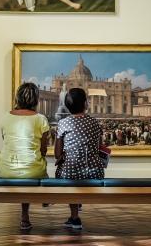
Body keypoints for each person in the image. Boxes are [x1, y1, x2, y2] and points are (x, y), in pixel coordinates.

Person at [0, 82, 50, 230]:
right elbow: (43, 150)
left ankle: (25, 216)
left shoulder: (6, 117)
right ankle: (44, 197)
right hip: (33, 170)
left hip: (7, 169)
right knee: (36, 165)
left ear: (17, 98)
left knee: (22, 161)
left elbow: (6, 141)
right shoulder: (41, 119)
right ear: (36, 100)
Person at [54, 88, 105, 230]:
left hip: (71, 173)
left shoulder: (63, 123)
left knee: (68, 170)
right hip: (94, 172)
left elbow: (57, 154)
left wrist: (63, 155)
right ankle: (77, 207)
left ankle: (75, 217)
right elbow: (100, 147)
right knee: (77, 170)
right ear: (86, 104)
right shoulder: (95, 123)